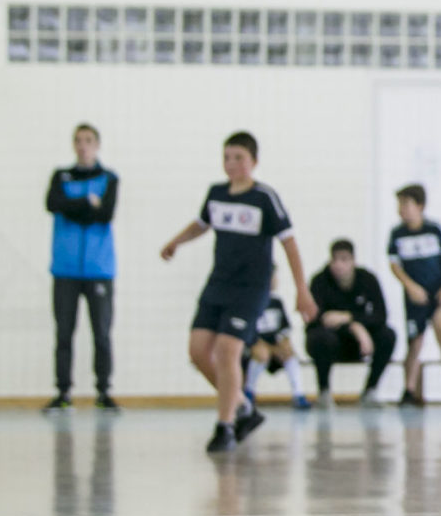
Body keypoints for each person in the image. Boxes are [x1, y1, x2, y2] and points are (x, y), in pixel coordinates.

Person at [160, 131, 315, 454]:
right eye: (227, 157)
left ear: (254, 162)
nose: (231, 164)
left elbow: (289, 243)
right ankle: (243, 406)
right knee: (198, 350)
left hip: (250, 289)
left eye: (239, 158)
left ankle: (225, 425)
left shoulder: (264, 198)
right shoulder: (217, 194)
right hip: (218, 283)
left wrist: (302, 290)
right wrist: (176, 241)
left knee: (229, 350)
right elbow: (201, 224)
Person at [44, 123, 119, 411]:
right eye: (78, 140)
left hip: (99, 269)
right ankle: (63, 393)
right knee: (64, 333)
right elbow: (52, 203)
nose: (83, 145)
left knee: (101, 333)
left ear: (97, 144)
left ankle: (104, 391)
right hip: (64, 269)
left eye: (88, 140)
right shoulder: (61, 176)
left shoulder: (109, 178)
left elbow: (106, 213)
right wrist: (88, 202)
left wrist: (72, 205)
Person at [387, 185, 441, 405]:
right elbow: (395, 265)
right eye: (399, 205)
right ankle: (409, 390)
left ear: (419, 206)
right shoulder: (397, 234)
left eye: (405, 204)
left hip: (437, 294)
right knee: (415, 341)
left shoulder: (434, 230)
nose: (401, 209)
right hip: (415, 298)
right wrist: (410, 287)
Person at [306, 240, 393, 403]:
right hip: (331, 342)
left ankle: (370, 390)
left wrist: (350, 319)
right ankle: (324, 391)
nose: (338, 265)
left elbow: (381, 315)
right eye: (335, 260)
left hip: (361, 343)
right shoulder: (319, 281)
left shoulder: (367, 279)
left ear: (353, 261)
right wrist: (353, 327)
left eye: (344, 259)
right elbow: (319, 319)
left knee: (388, 335)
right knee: (320, 337)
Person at [243, 275, 314, 411]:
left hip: (275, 343)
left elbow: (285, 327)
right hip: (258, 343)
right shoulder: (249, 302)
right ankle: (249, 391)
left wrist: (281, 342)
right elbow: (248, 330)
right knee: (262, 353)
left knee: (288, 351)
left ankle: (298, 394)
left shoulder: (276, 302)